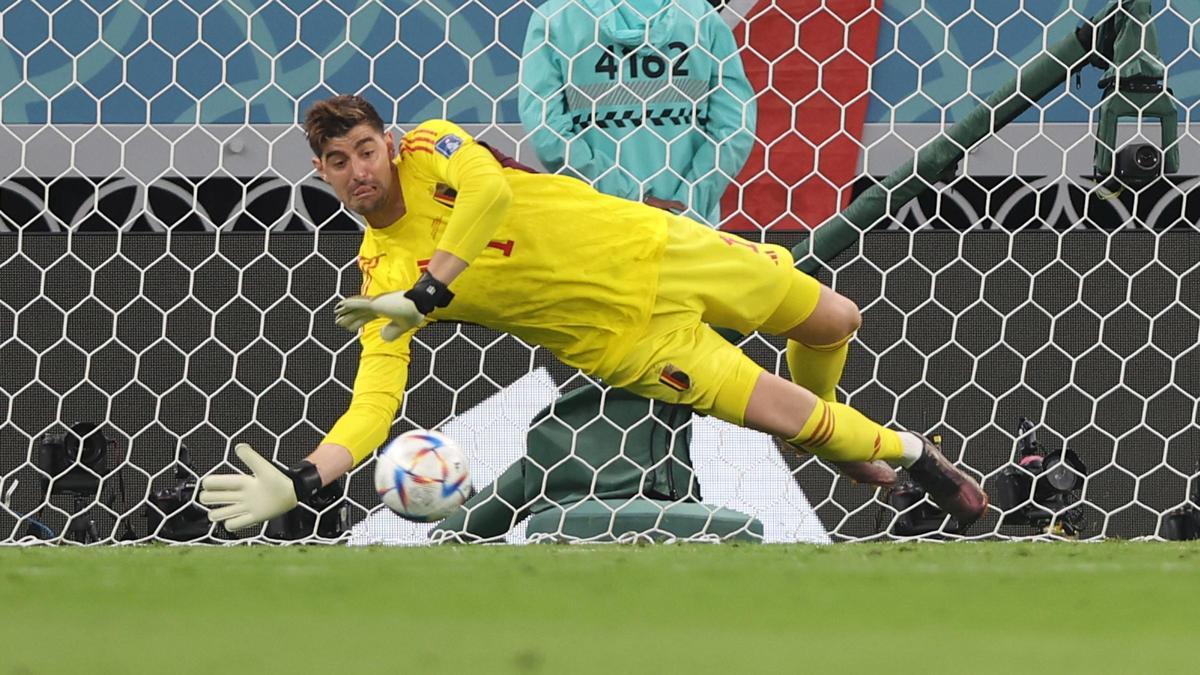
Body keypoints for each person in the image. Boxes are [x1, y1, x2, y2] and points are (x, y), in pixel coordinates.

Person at [198, 96, 987, 535]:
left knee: (835, 321)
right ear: (322, 173)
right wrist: (306, 479)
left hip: (658, 245)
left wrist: (434, 287)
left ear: (388, 143)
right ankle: (917, 457)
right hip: (630, 342)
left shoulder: (435, 147)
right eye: (338, 161)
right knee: (788, 413)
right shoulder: (379, 276)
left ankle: (846, 440)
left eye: (366, 148)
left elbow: (492, 193)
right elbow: (375, 402)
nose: (358, 169)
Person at [518, 0, 755, 227]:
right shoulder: (699, 16)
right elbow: (735, 126)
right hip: (689, 230)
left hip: (599, 222)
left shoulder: (556, 18)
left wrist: (629, 198)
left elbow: (547, 132)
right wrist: (689, 206)